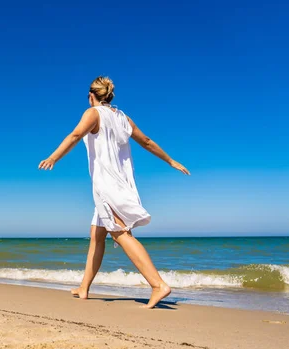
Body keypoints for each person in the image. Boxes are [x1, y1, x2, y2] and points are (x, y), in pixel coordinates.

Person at [38, 76, 190, 309]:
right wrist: (170, 161)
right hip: (120, 183)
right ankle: (84, 288)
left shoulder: (93, 113)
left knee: (119, 232)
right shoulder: (122, 117)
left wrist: (53, 157)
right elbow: (147, 141)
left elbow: (76, 135)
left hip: (106, 185)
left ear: (91, 96)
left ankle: (158, 284)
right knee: (97, 235)